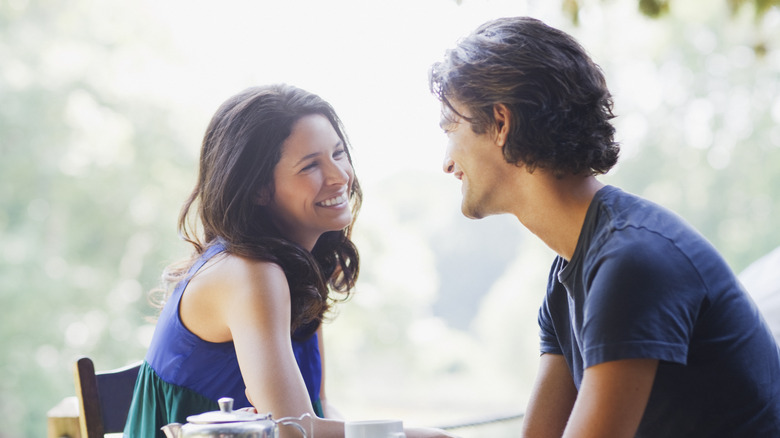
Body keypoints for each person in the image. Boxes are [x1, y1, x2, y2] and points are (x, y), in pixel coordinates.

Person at [429, 16, 780, 438]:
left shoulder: (632, 262)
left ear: (501, 124)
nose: (447, 162)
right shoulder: (566, 275)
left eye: (451, 129)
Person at [124, 84, 453, 438]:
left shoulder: (297, 269)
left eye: (338, 153)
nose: (339, 176)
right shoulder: (250, 274)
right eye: (311, 165)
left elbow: (319, 409)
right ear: (258, 189)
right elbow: (295, 431)